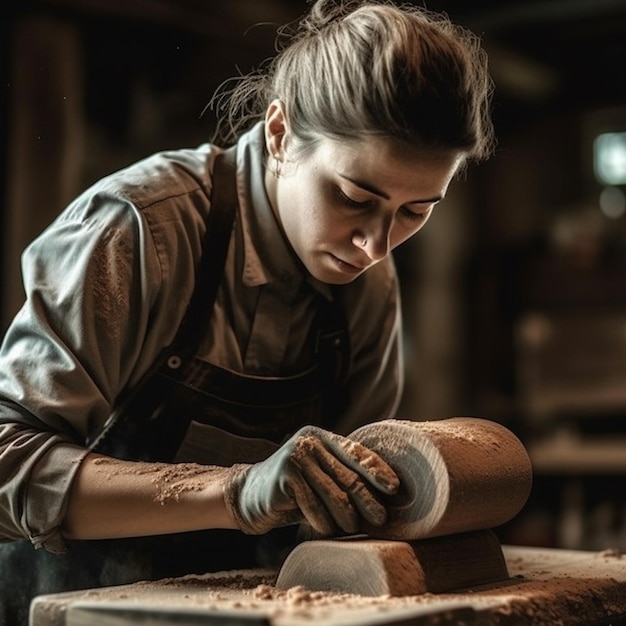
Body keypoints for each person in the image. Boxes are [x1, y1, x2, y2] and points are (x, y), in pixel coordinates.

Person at [0, 0, 495, 623]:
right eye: (351, 196)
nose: (374, 245)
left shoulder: (367, 282)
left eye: (415, 212)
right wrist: (236, 491)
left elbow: (354, 511)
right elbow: (7, 464)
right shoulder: (139, 231)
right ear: (281, 134)